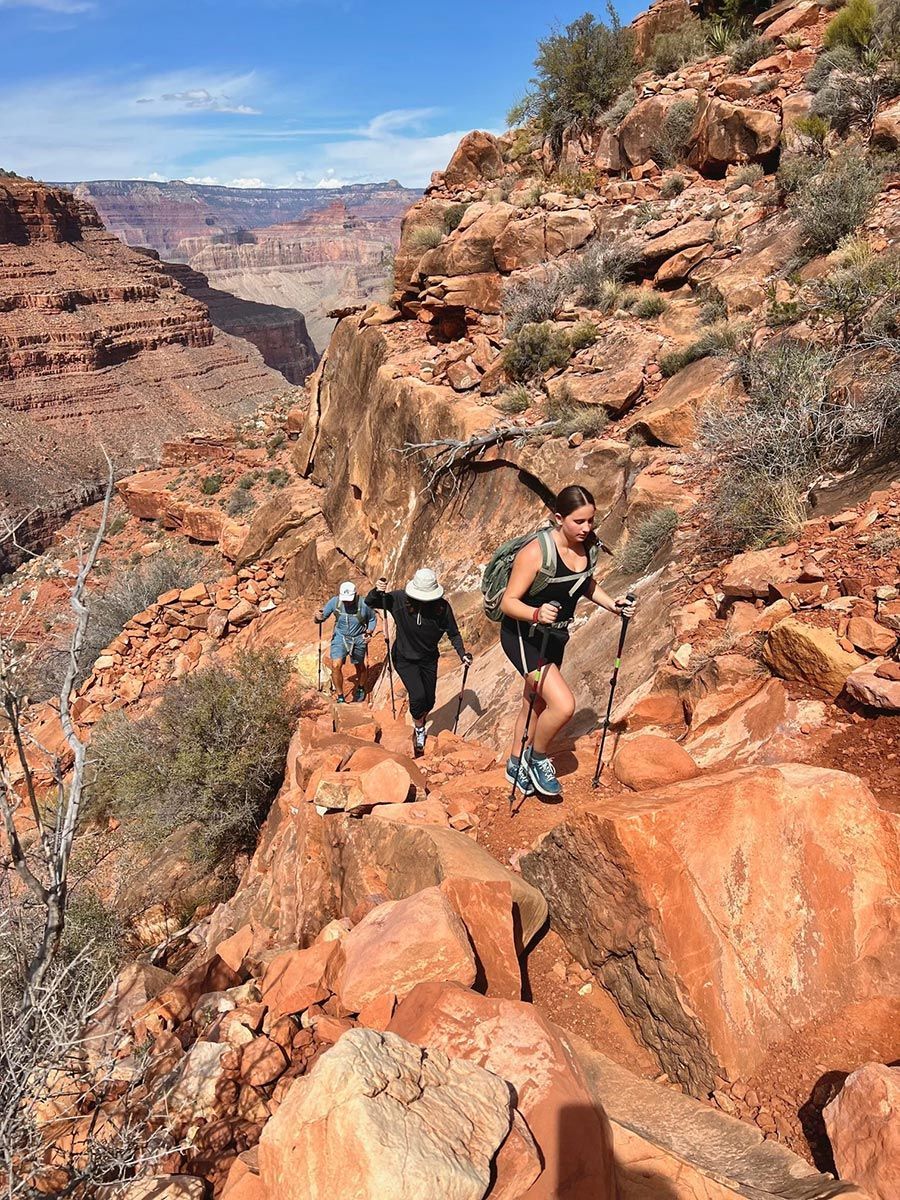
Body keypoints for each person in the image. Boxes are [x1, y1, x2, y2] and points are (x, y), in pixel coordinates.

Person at [499, 484, 637, 799]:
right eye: (579, 522)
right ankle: (536, 758)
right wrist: (535, 613)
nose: (586, 528)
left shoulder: (588, 547)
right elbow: (509, 602)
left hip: (555, 636)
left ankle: (515, 764)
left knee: (534, 704)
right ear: (559, 518)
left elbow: (584, 583)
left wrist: (613, 606)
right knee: (563, 705)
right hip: (524, 636)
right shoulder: (535, 552)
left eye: (591, 521)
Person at [366, 568, 472, 757]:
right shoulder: (399, 599)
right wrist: (377, 590)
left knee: (429, 700)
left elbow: (454, 633)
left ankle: (420, 717)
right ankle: (419, 729)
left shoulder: (442, 608)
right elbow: (371, 601)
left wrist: (462, 653)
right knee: (418, 697)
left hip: (429, 658)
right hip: (404, 658)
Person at [314, 582, 377, 703]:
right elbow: (321, 618)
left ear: (356, 595)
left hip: (359, 638)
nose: (347, 602)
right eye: (345, 599)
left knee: (359, 665)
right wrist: (318, 617)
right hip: (340, 637)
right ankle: (340, 696)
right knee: (336, 665)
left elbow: (372, 618)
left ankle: (360, 687)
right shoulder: (335, 602)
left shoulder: (364, 604)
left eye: (349, 599)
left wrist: (369, 632)